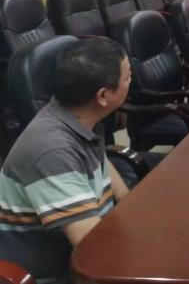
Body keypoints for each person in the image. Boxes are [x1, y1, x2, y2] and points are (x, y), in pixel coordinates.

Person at [0, 38, 132, 283]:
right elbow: (91, 246)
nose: (131, 81)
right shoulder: (52, 151)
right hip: (53, 272)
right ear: (103, 95)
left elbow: (110, 177)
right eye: (128, 76)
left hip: (80, 246)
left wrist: (134, 211)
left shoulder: (76, 118)